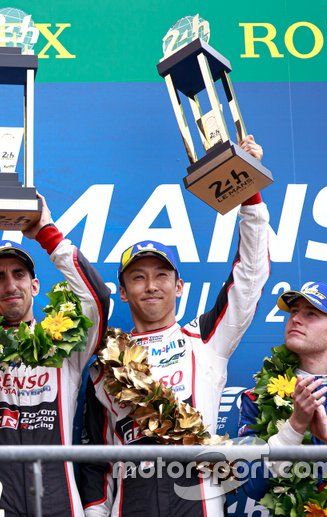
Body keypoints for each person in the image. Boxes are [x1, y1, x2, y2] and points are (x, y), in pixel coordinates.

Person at [82, 136, 270, 516]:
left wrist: (249, 194)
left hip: (198, 499)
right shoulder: (104, 367)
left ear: (179, 286)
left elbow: (249, 277)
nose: (151, 286)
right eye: (137, 278)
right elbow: (97, 463)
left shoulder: (206, 338)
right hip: (131, 500)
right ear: (121, 292)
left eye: (161, 275)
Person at [0, 191, 111, 516]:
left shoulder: (66, 342)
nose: (10, 285)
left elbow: (97, 299)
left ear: (35, 285)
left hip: (61, 502)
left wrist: (47, 233)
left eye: (19, 275)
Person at [238, 282, 327, 507]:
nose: (296, 319)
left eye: (311, 313)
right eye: (294, 311)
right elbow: (253, 486)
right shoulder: (256, 398)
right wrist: (296, 426)